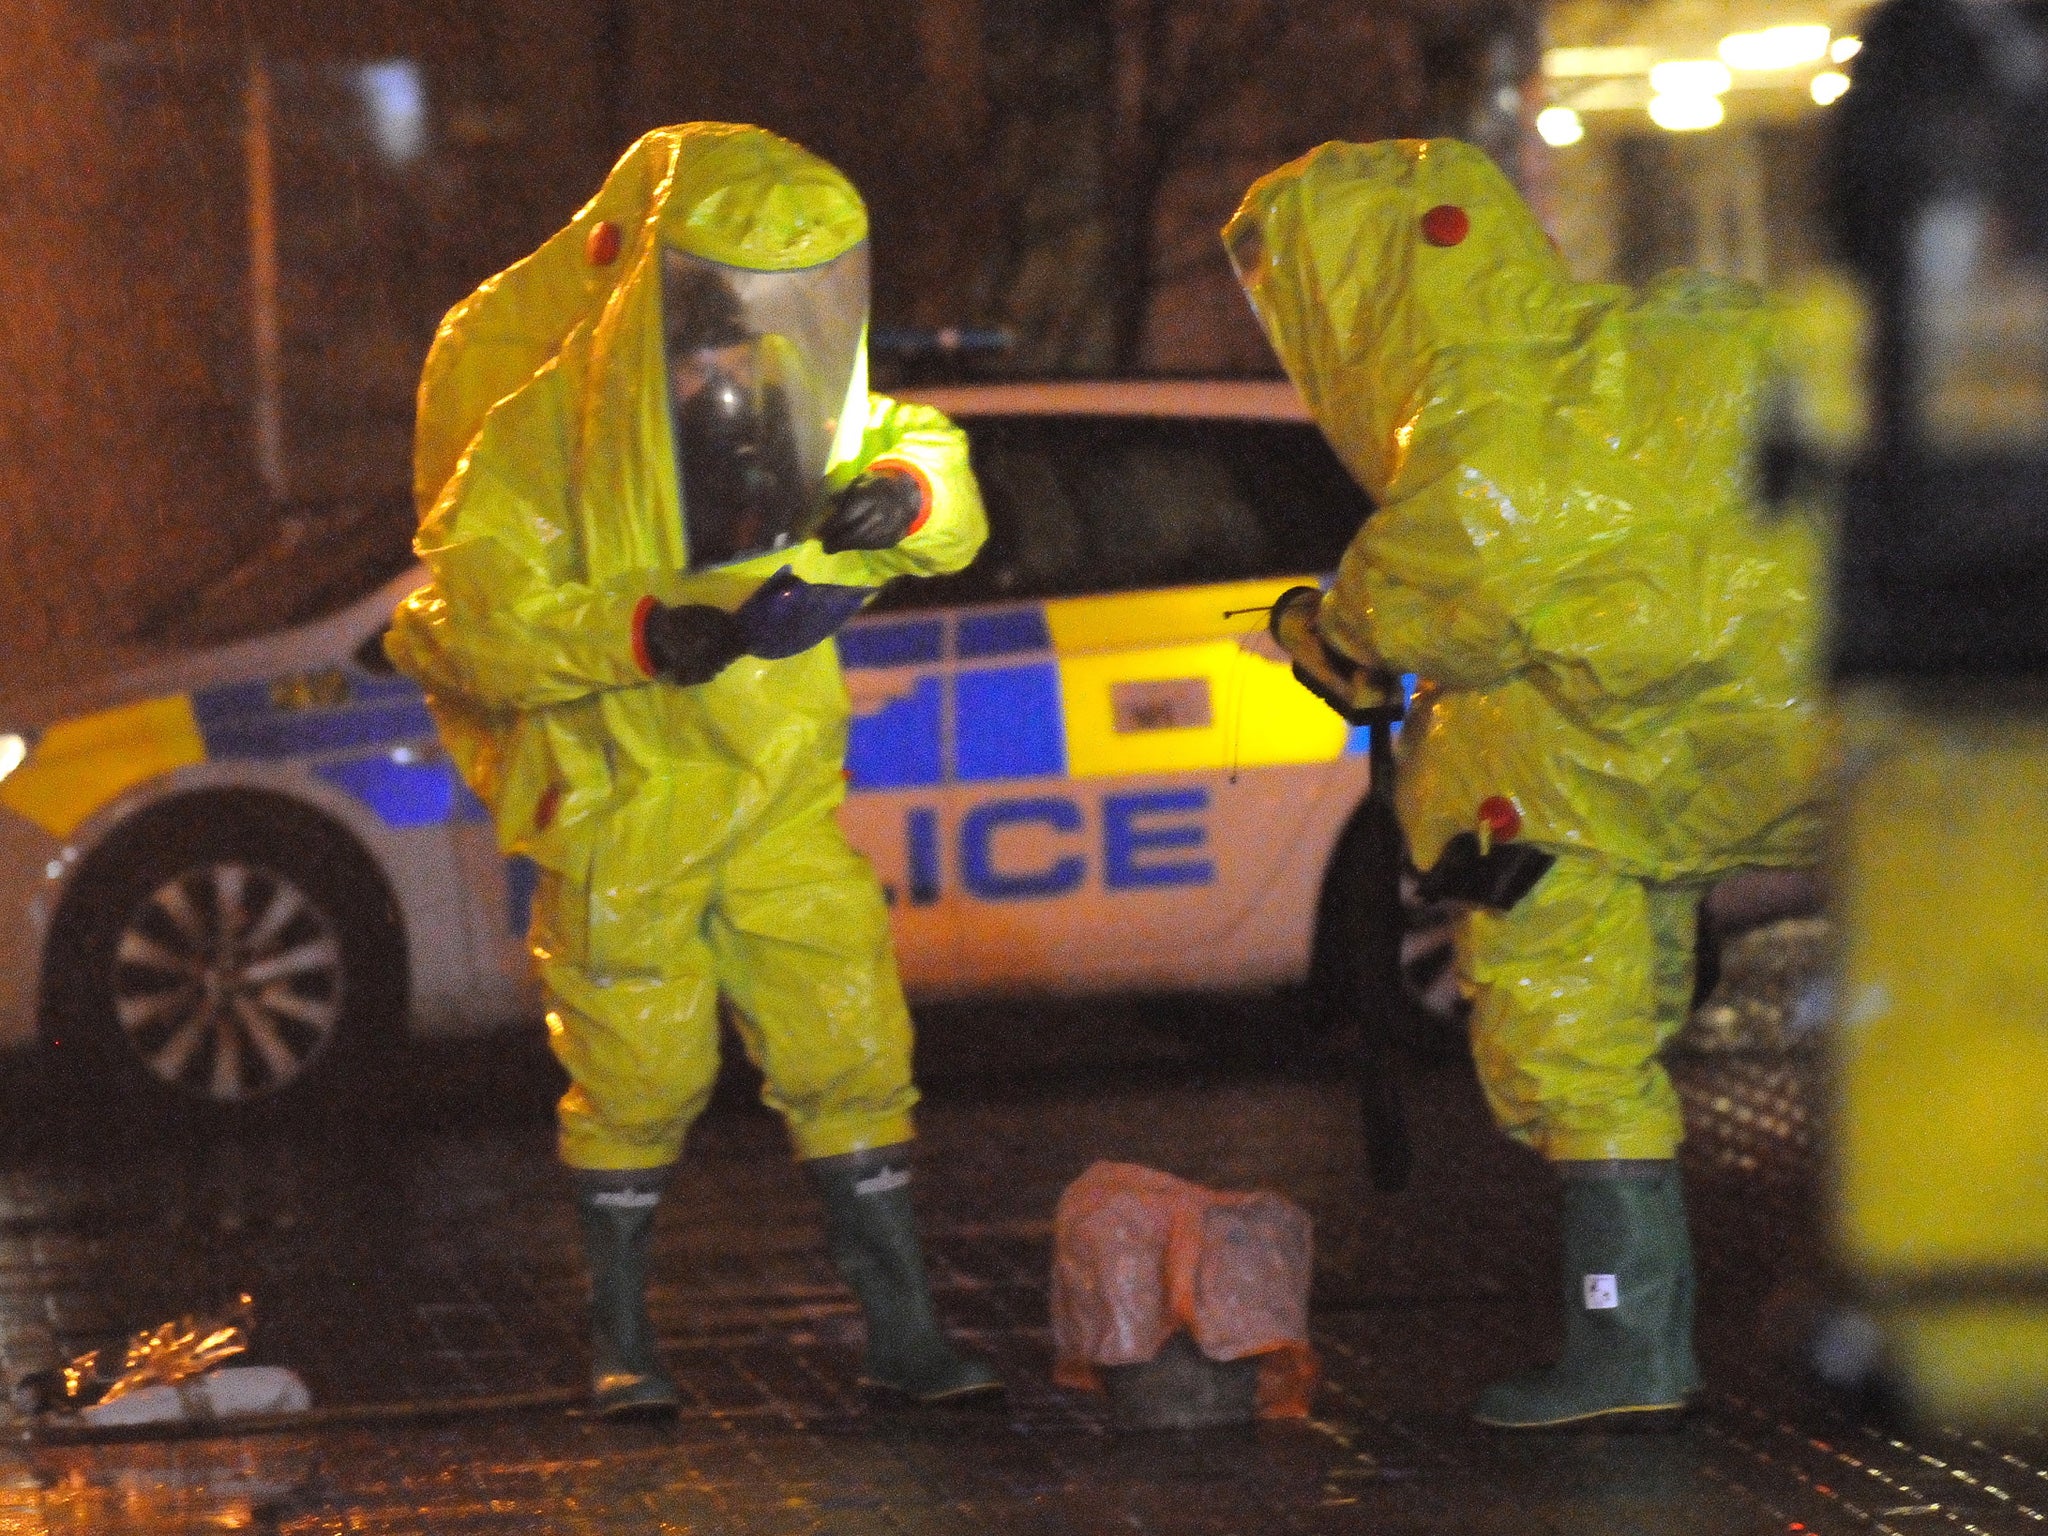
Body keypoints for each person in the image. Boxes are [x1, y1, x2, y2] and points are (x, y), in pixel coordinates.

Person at [386, 123, 1000, 1418]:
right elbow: (468, 616)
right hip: (626, 808)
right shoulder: (546, 430)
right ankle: (623, 1343)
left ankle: (903, 1334)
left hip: (776, 803)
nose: (744, 337)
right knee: (634, 1076)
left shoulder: (799, 408)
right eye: (722, 302)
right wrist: (637, 635)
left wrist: (900, 493)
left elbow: (934, 468)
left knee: (848, 1040)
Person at [1223, 138, 1826, 1428]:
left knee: (1578, 1046)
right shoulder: (1650, 353)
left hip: (1576, 794)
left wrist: (1318, 634)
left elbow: (1408, 606)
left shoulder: (1469, 454)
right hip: (1821, 718)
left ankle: (1628, 1347)